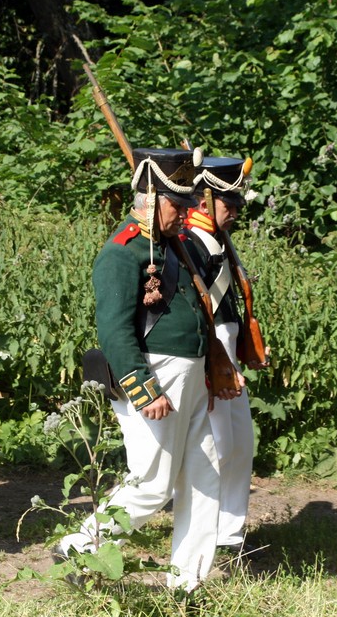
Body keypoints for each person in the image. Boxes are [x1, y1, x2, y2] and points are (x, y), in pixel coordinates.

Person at [57, 147, 237, 592]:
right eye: (178, 203)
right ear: (153, 199)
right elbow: (115, 330)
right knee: (153, 483)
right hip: (156, 376)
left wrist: (211, 369)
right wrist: (144, 388)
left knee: (204, 476)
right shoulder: (122, 253)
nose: (188, 211)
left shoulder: (179, 245)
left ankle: (187, 582)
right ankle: (80, 546)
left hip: (191, 376)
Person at [183, 153, 262, 553]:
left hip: (228, 346)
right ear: (204, 202)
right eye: (228, 205)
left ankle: (230, 535)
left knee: (240, 446)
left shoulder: (216, 238)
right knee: (218, 448)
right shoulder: (188, 242)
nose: (235, 213)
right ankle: (205, 531)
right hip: (210, 352)